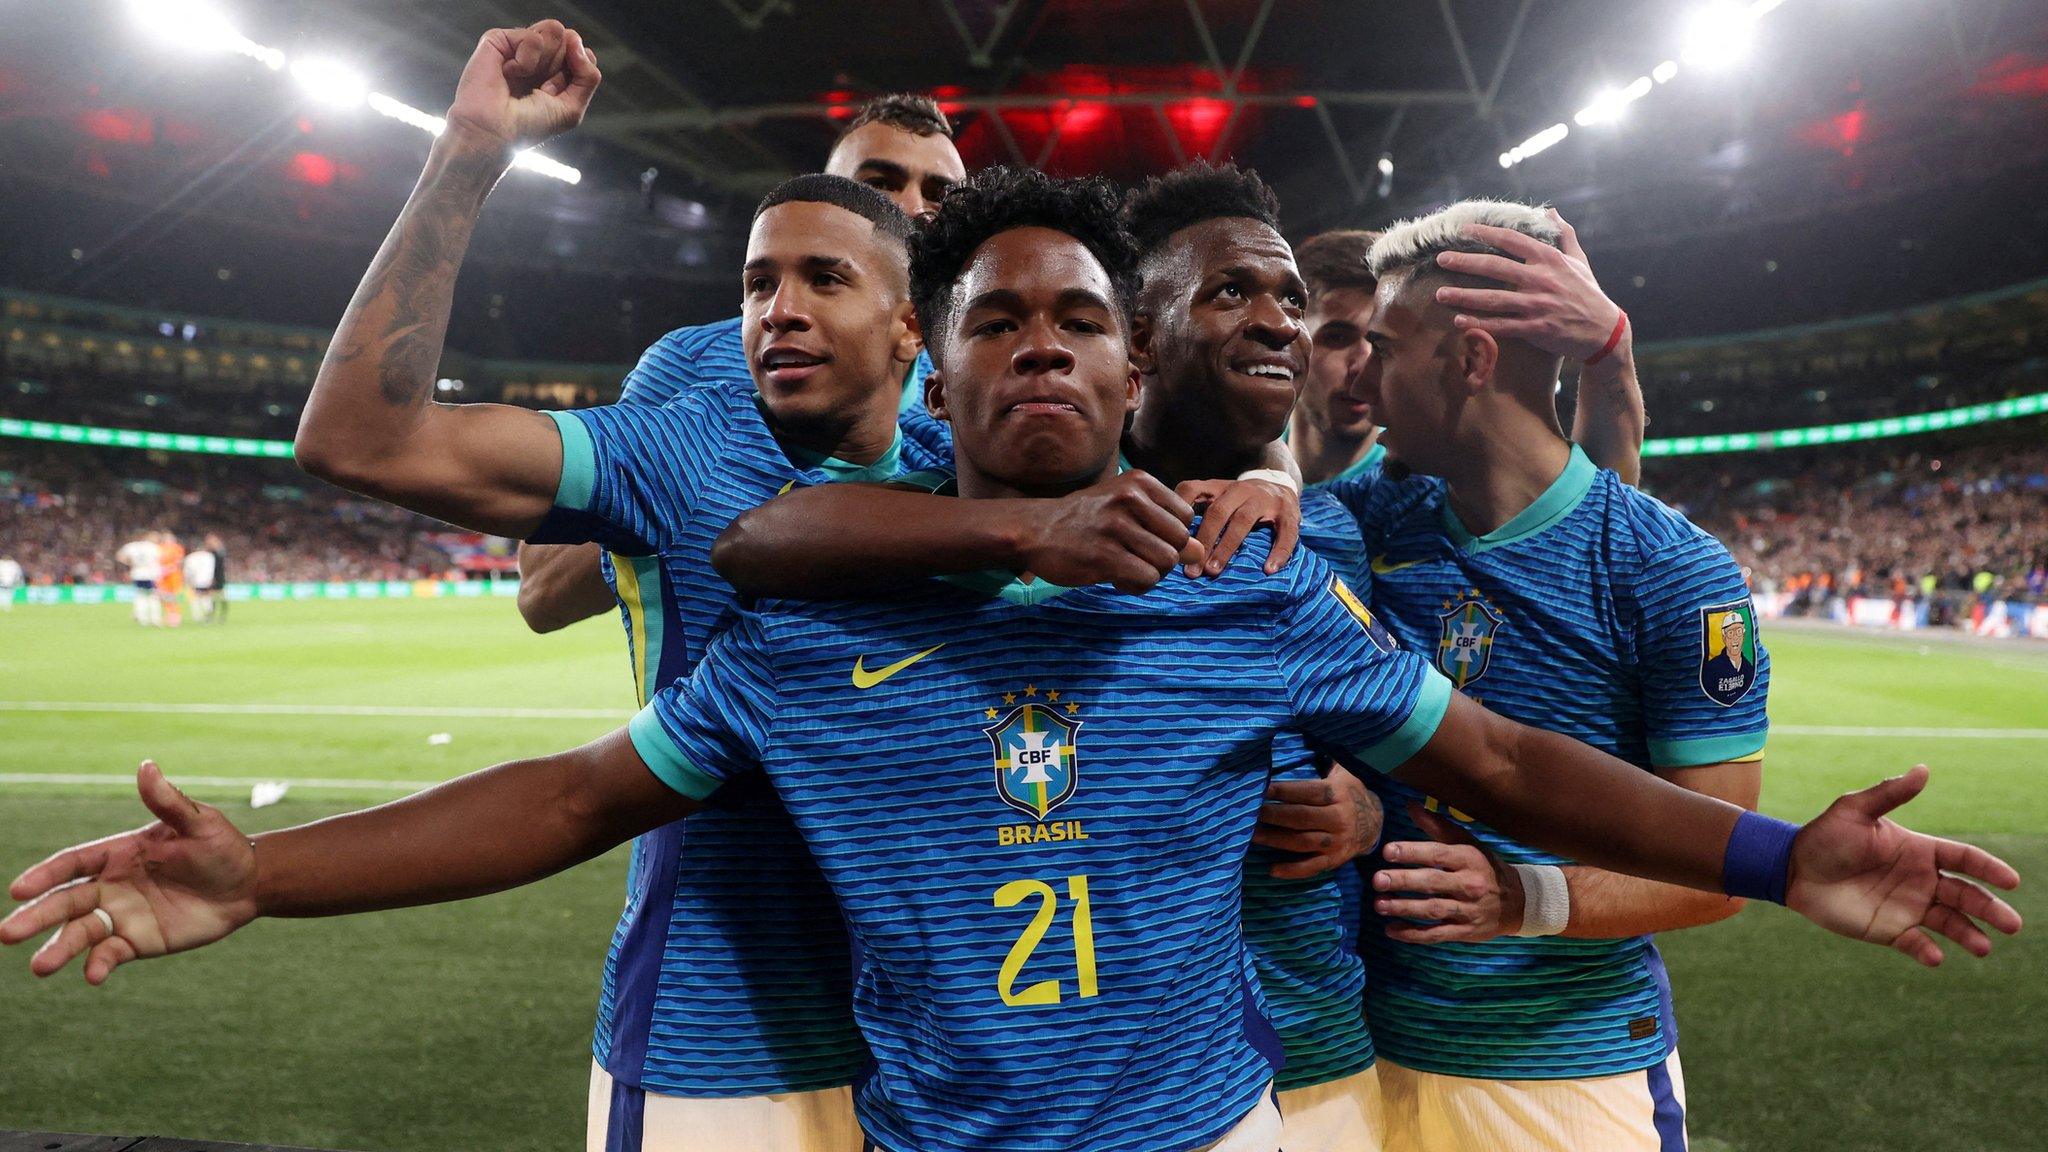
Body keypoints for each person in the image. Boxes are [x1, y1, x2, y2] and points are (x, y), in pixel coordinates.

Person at [2, 168, 2021, 1152]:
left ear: (1127, 373)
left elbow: (1493, 755)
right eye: (992, 320)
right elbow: (561, 800)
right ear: (932, 377)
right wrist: (257, 874)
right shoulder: (818, 625)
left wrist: (1777, 862)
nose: (1038, 340)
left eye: (1074, 316)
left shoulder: (1237, 587)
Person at [1342, 201, 1764, 1151]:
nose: (1358, 375)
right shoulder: (1372, 520)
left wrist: (1521, 898)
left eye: (1385, 345)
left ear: (1471, 361)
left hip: (1569, 1071)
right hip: (1366, 1063)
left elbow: (1721, 867)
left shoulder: (1670, 571)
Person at [513, 92, 969, 634]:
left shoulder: (975, 386)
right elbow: (543, 594)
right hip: (717, 712)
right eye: (879, 184)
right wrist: (702, 491)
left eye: (940, 194)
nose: (914, 208)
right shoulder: (692, 365)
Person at [1288, 230, 1387, 487]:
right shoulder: (1230, 461)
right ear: (1288, 342)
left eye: (1382, 343)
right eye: (1338, 338)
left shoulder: (1424, 494)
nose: (1363, 369)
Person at [114, 531, 161, 627]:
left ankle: (142, 618)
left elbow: (119, 556)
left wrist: (130, 564)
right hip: (150, 573)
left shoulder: (131, 546)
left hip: (137, 572)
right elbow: (159, 559)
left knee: (140, 596)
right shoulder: (153, 547)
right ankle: (155, 618)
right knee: (153, 596)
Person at [184, 536, 222, 624]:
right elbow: (212, 569)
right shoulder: (209, 556)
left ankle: (197, 616)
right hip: (206, 580)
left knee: (195, 598)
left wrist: (188, 580)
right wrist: (211, 578)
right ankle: (208, 615)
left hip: (194, 581)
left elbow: (188, 571)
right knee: (206, 597)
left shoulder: (190, 557)